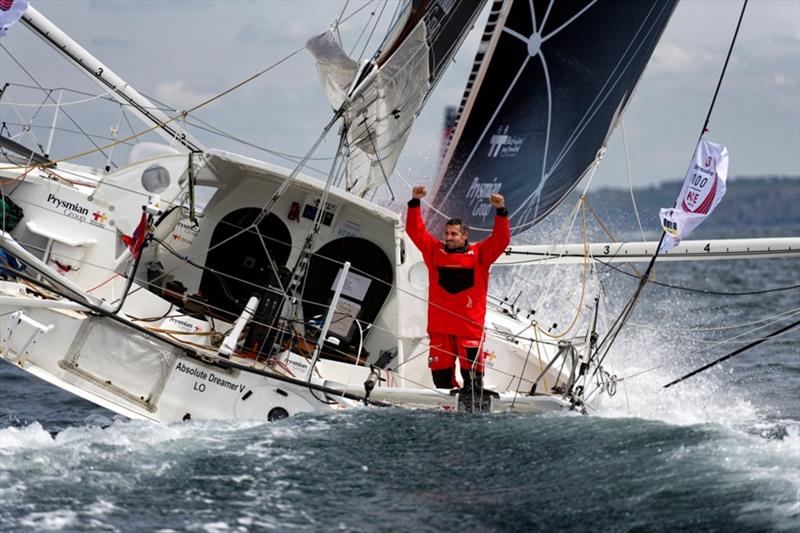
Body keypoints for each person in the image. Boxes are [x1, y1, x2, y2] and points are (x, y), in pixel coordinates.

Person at [406, 185, 510, 392]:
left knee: (473, 385)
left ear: (465, 236)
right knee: (441, 382)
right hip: (440, 330)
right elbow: (415, 231)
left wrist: (500, 211)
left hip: (468, 331)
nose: (449, 237)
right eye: (447, 233)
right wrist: (415, 202)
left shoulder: (481, 254)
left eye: (454, 234)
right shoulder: (434, 251)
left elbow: (501, 240)